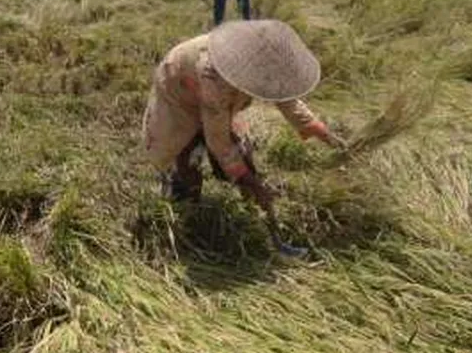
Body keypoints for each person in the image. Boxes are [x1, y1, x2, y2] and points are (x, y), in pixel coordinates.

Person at [142, 20, 346, 214]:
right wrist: (248, 180)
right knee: (186, 164)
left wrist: (318, 129)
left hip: (217, 99)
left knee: (242, 156)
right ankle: (184, 213)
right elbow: (218, 140)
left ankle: (247, 194)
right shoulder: (214, 75)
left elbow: (285, 97)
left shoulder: (264, 63)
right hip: (180, 93)